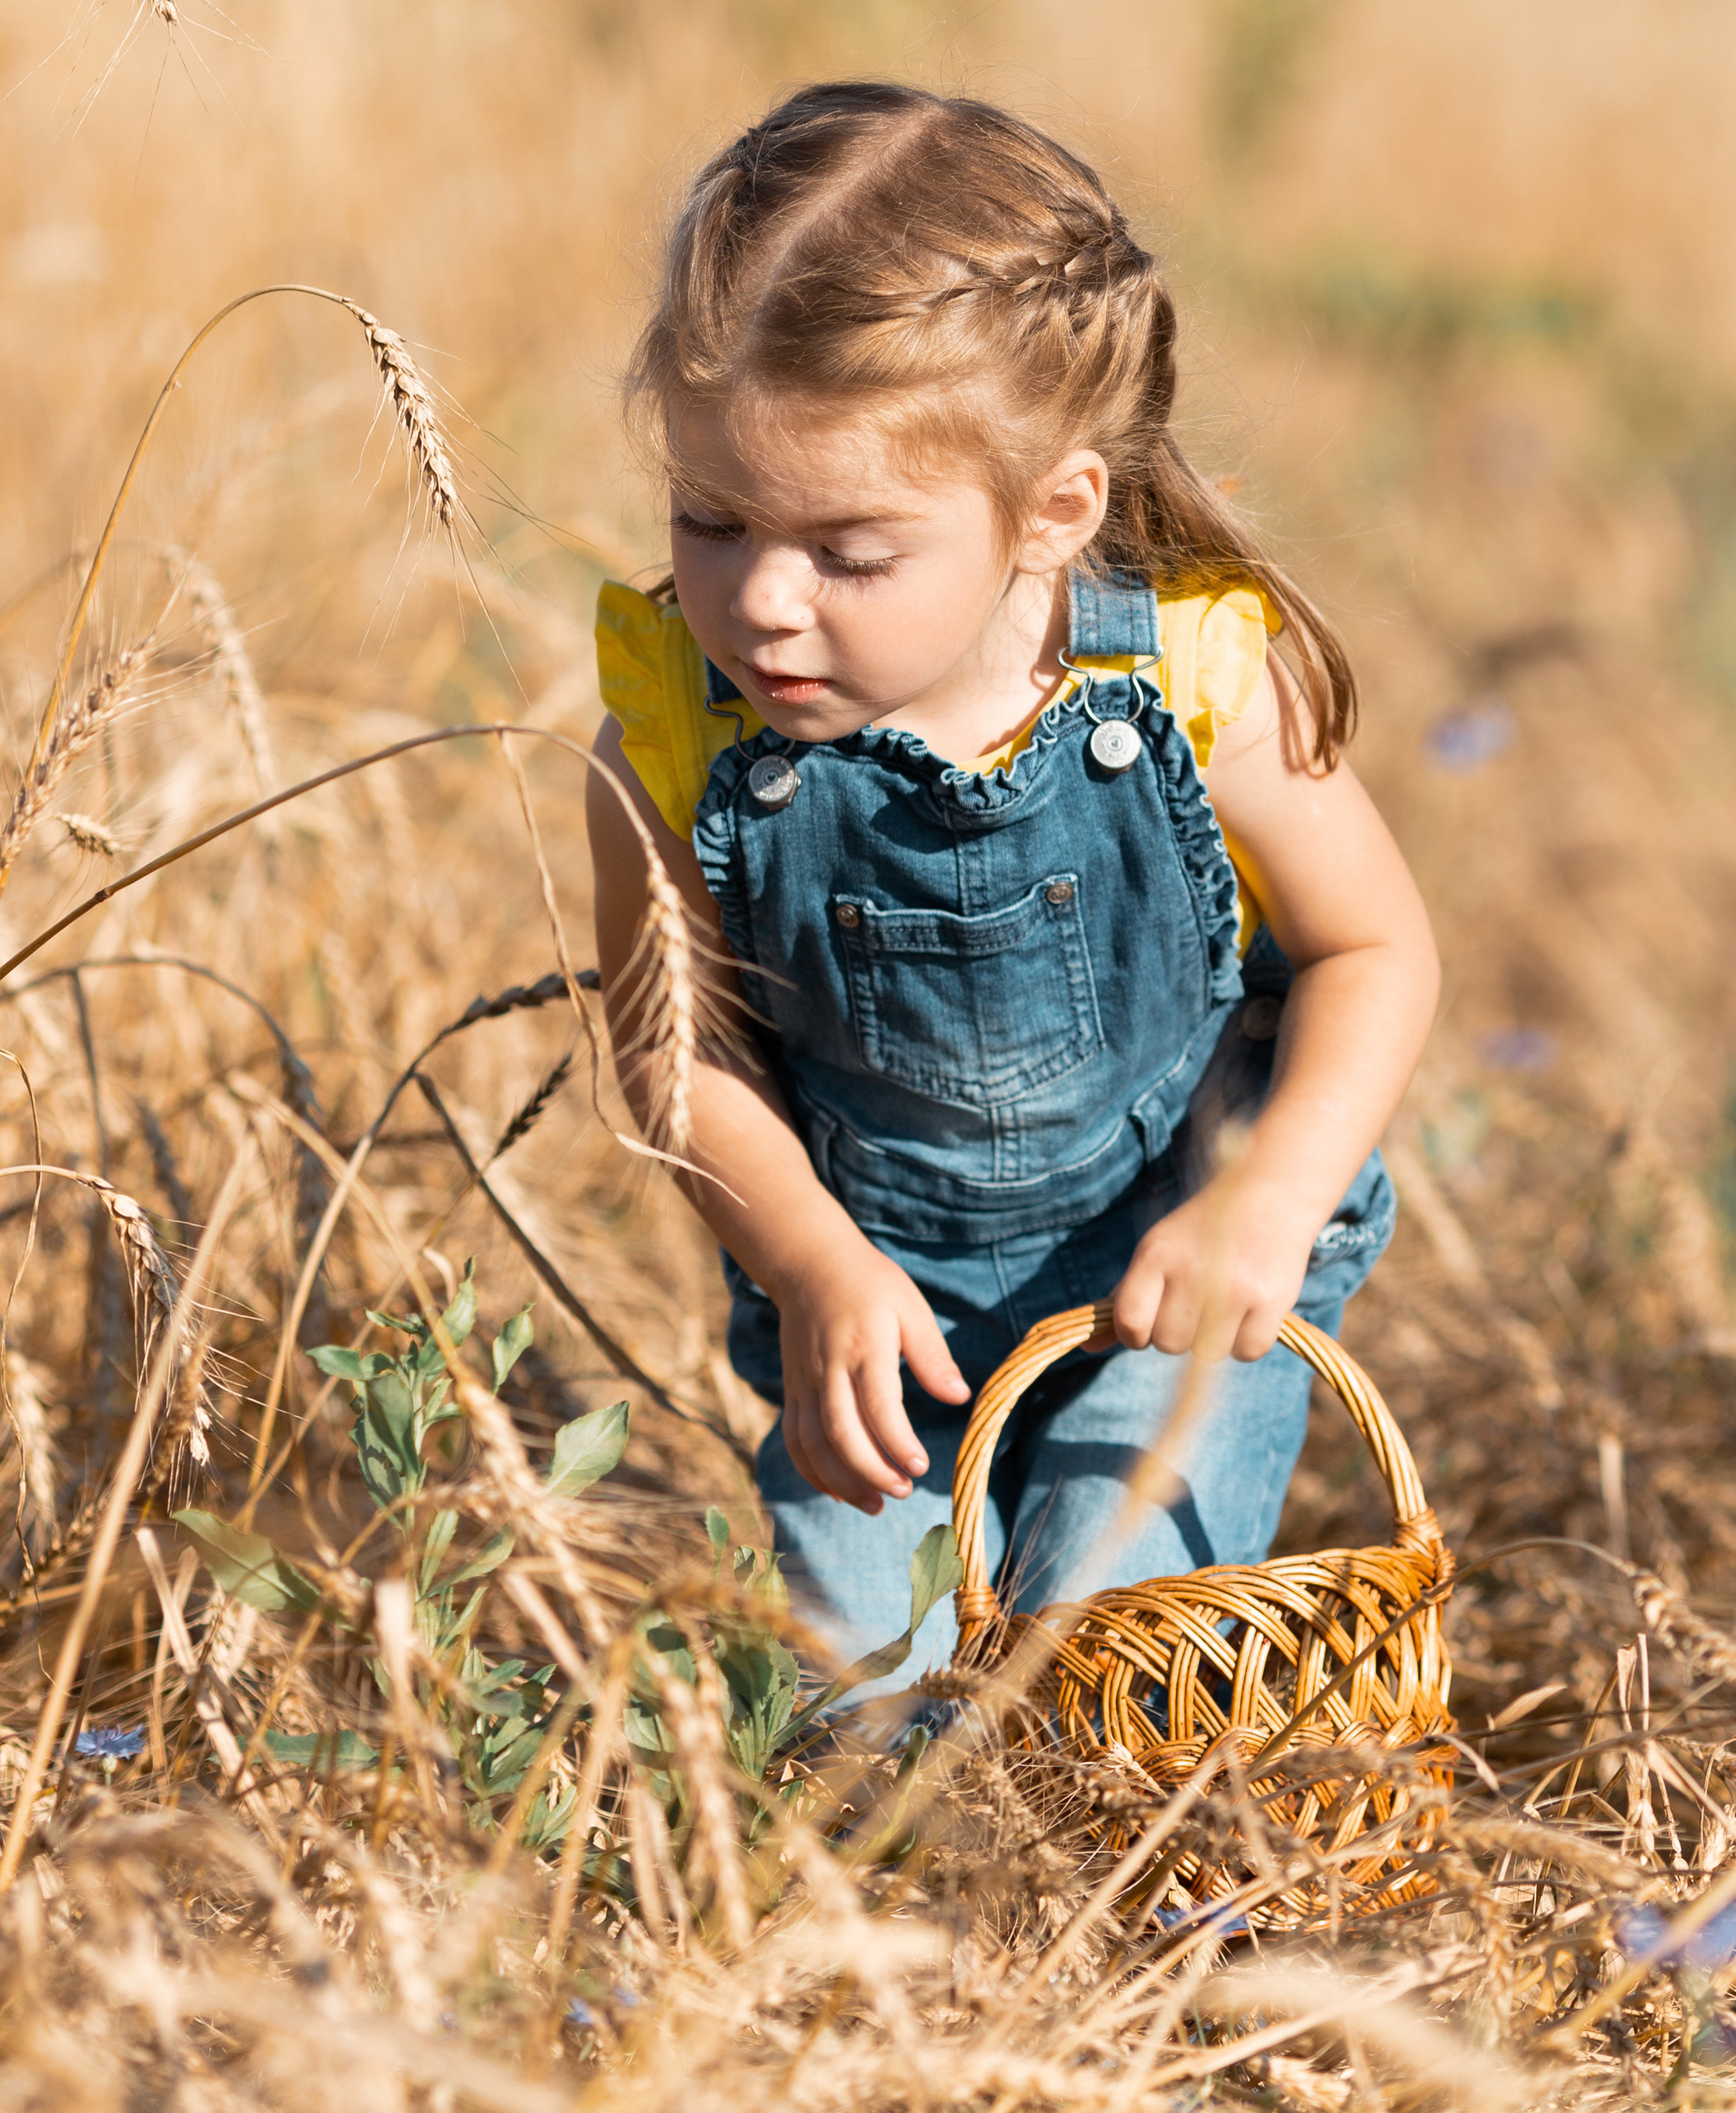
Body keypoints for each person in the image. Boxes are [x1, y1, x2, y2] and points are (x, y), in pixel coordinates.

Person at [585, 82, 1439, 1688]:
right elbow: (672, 1054)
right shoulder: (668, 737)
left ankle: (1125, 1922)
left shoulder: (1188, 675)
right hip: (876, 1320)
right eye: (708, 519)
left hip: (1170, 1271)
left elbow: (1372, 948)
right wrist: (806, 1260)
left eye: (846, 550)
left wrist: (1266, 1198)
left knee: (1105, 1658)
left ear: (1051, 515)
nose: (758, 601)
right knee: (855, 1709)